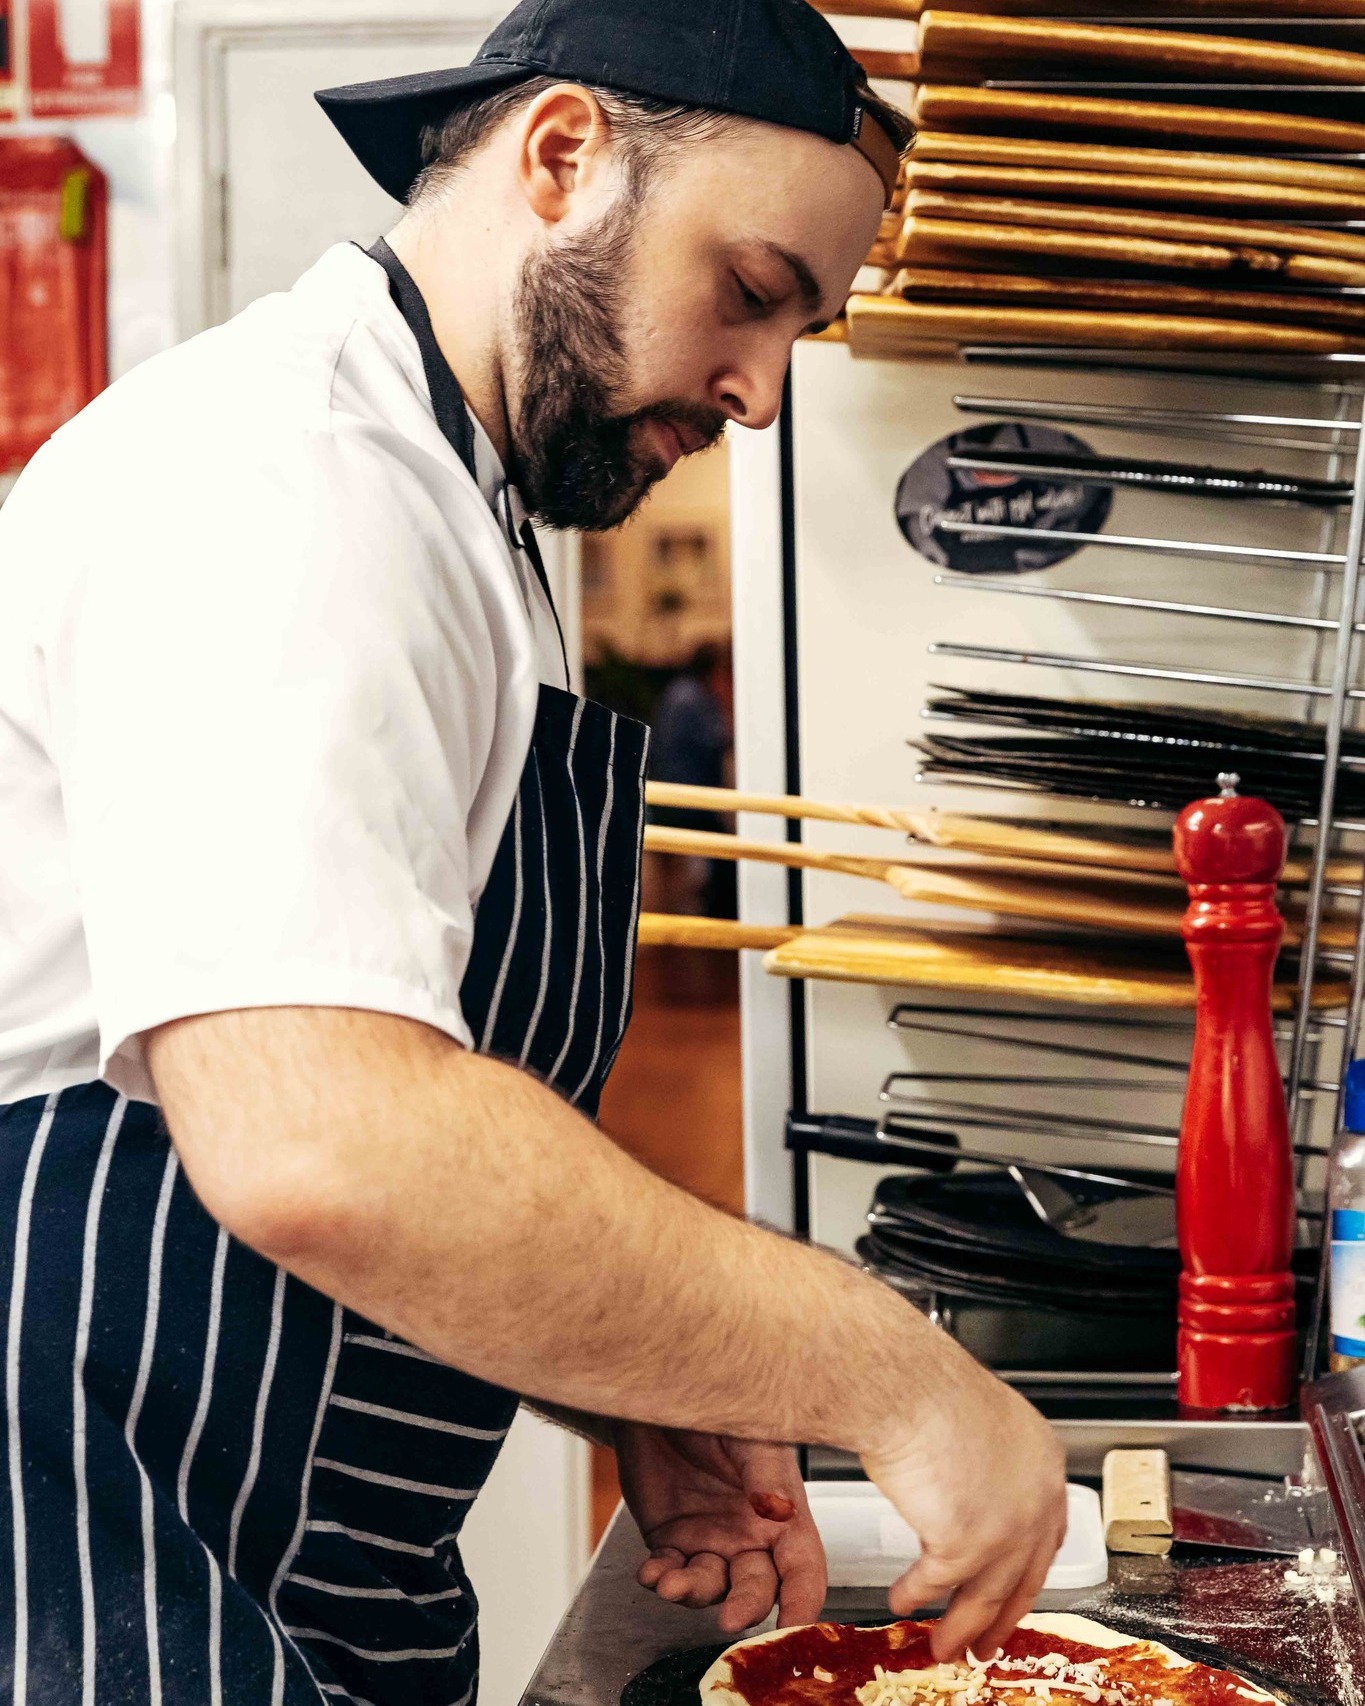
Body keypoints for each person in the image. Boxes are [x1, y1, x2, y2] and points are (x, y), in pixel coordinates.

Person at [0, 2, 1066, 1702]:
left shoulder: (463, 509)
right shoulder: (291, 482)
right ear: (562, 154)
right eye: (752, 292)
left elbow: (431, 1126)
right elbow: (326, 1138)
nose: (762, 393)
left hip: (304, 1590)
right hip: (104, 1591)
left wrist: (647, 1375)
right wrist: (894, 1372)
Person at [650, 642, 737, 918]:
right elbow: (721, 738)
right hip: (682, 800)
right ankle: (720, 914)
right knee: (727, 847)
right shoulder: (692, 697)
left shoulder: (681, 692)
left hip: (672, 793)